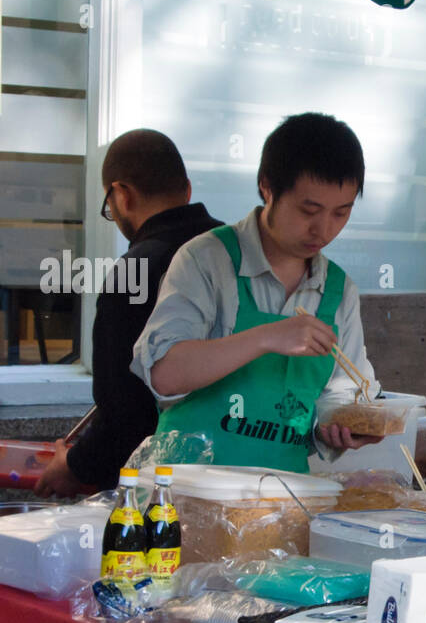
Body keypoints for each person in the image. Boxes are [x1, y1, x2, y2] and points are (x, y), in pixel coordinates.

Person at [132, 113, 379, 471]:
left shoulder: (339, 292)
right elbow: (165, 374)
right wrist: (267, 337)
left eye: (341, 213)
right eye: (309, 210)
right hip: (189, 494)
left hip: (284, 500)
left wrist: (338, 427)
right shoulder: (206, 260)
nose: (323, 229)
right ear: (267, 187)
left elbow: (346, 393)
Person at [35, 131, 221, 496]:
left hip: (162, 487)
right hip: (245, 471)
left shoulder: (136, 271)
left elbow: (124, 413)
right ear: (187, 190)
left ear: (122, 195)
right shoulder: (233, 251)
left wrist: (74, 466)